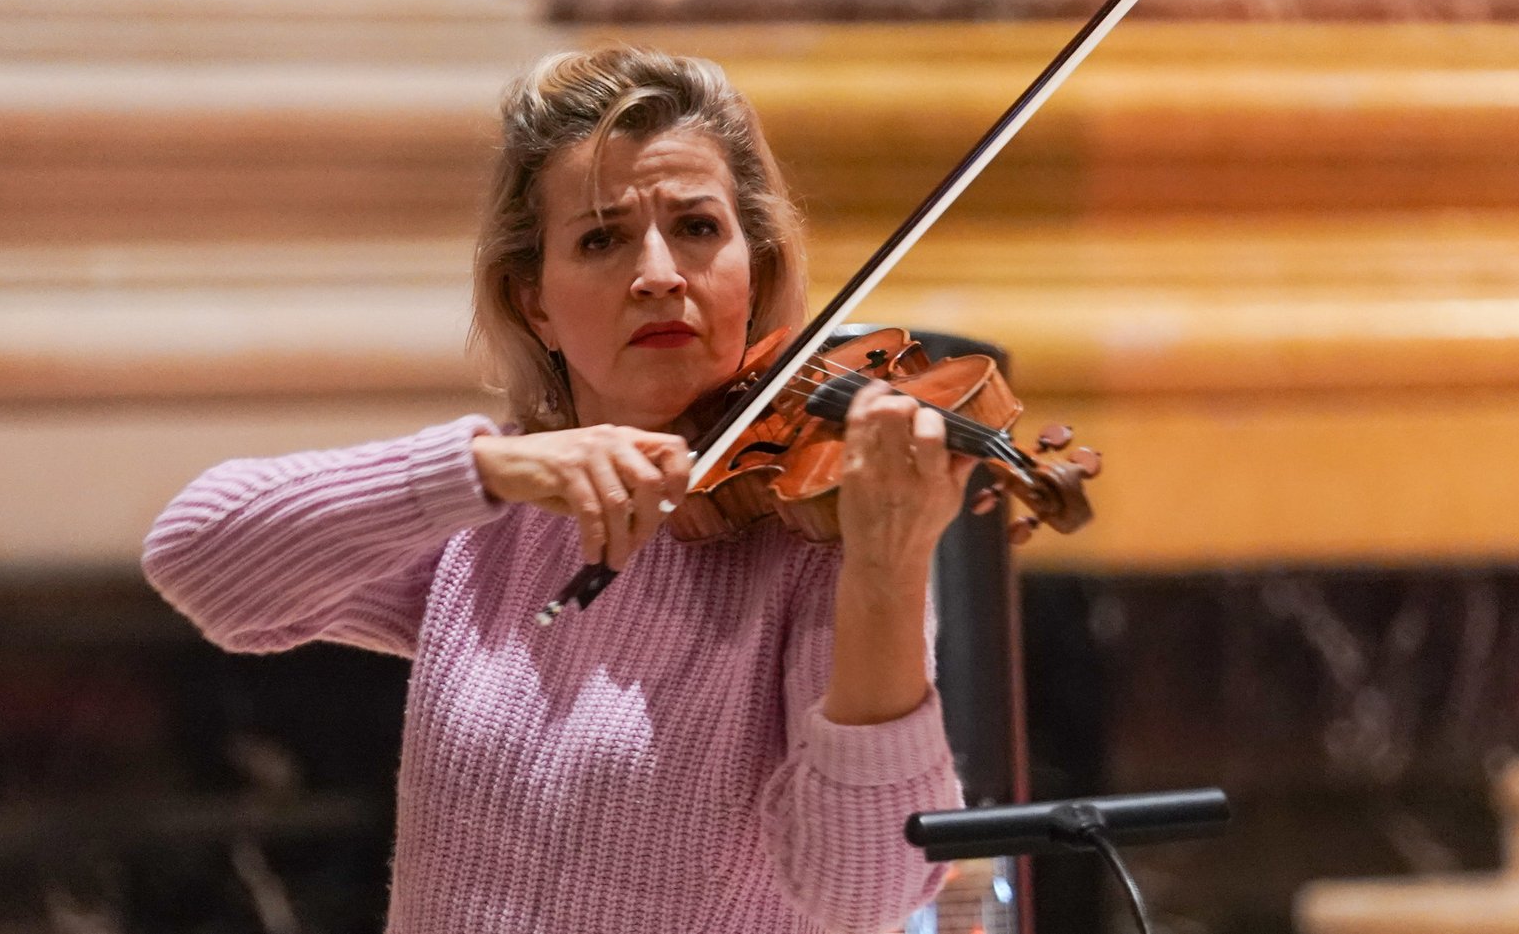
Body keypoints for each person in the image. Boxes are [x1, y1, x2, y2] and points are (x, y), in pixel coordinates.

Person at [143, 46, 978, 933]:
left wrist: (887, 571)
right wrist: (488, 471)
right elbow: (202, 556)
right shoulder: (496, 514)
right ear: (534, 300)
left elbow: (871, 887)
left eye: (697, 227)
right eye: (601, 237)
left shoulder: (815, 546)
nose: (659, 272)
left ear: (757, 271)